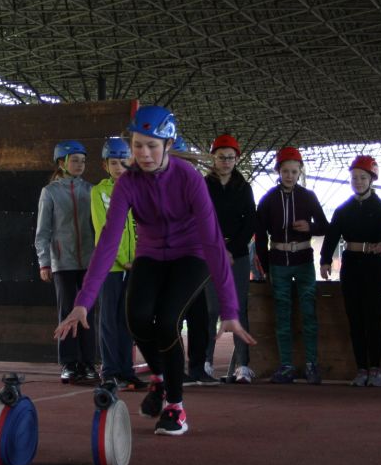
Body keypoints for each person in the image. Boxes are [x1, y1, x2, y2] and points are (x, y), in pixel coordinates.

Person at [53, 105, 255, 436]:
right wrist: (83, 302)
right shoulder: (128, 184)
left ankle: (175, 406)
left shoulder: (189, 178)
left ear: (168, 144)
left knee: (167, 321)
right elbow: (107, 243)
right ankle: (159, 379)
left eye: (152, 146)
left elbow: (213, 243)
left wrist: (230, 309)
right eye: (137, 145)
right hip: (150, 254)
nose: (143, 154)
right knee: (136, 318)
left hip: (191, 254)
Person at [255, 147, 329, 384]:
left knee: (309, 312)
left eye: (294, 171)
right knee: (282, 314)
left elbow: (325, 226)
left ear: (300, 172)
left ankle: (311, 364)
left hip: (304, 260)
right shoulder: (268, 199)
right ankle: (286, 365)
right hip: (278, 262)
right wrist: (265, 267)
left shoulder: (309, 197)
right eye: (285, 171)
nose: (289, 175)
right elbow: (260, 235)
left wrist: (310, 227)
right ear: (278, 171)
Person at [320, 155, 381, 387]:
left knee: (373, 318)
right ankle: (361, 368)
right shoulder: (343, 210)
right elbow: (331, 236)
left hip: (374, 267)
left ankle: (375, 368)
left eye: (362, 177)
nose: (358, 182)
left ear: (371, 179)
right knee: (355, 319)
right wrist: (324, 261)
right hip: (350, 266)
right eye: (354, 178)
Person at [35, 139, 97, 384]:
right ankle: (69, 363)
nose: (80, 165)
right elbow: (43, 231)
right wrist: (44, 262)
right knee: (67, 310)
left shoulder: (91, 190)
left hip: (90, 262)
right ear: (61, 163)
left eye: (83, 161)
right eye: (75, 160)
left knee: (88, 312)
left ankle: (88, 362)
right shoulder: (50, 192)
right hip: (63, 262)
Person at [198, 134, 256, 385]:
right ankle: (206, 362)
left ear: (236, 159)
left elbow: (250, 221)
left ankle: (243, 366)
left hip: (238, 254)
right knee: (211, 309)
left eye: (230, 158)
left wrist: (232, 249)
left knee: (238, 307)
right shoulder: (202, 185)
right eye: (221, 157)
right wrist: (217, 248)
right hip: (210, 252)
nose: (226, 162)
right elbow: (199, 218)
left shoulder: (244, 187)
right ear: (213, 158)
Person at [89, 137, 141, 390]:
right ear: (105, 165)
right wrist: (122, 259)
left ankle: (126, 370)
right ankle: (110, 371)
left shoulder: (138, 189)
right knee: (108, 320)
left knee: (127, 320)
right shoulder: (99, 192)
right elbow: (105, 228)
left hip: (135, 265)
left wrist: (139, 258)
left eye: (123, 162)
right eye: (113, 163)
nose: (119, 167)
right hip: (110, 266)